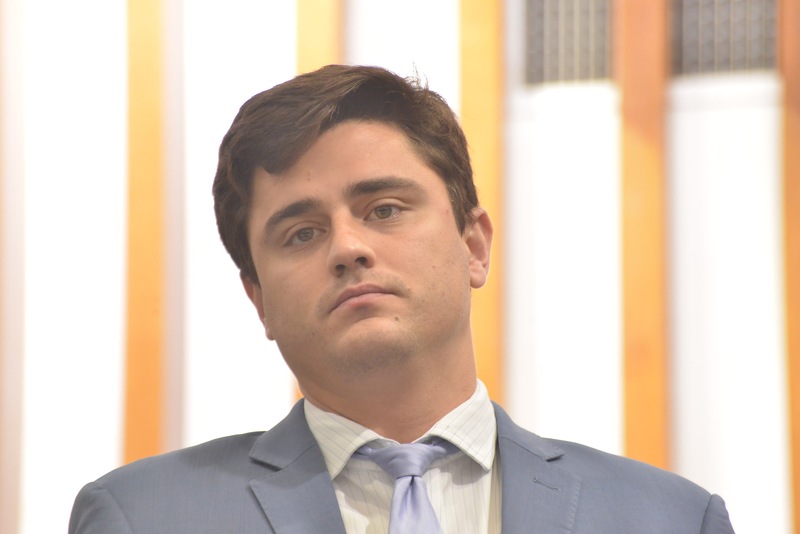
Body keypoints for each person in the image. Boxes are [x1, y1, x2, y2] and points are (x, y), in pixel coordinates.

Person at [69, 64, 735, 533]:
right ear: (259, 299)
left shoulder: (669, 519)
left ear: (473, 245)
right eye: (302, 233)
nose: (347, 247)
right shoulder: (143, 517)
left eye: (384, 209)